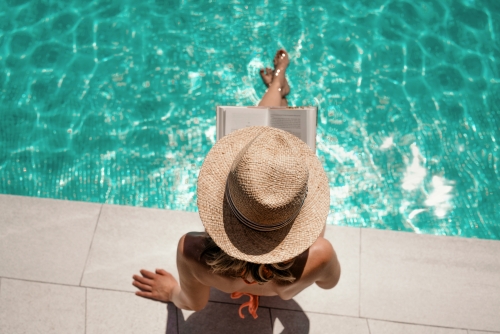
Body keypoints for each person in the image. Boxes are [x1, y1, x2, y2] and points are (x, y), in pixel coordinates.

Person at [132, 49, 341, 319]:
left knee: (258, 138)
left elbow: (192, 303)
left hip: (229, 268)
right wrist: (288, 287)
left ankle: (278, 85)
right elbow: (328, 283)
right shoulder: (320, 255)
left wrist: (172, 291)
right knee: (272, 140)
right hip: (286, 278)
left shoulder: (193, 252)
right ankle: (279, 85)